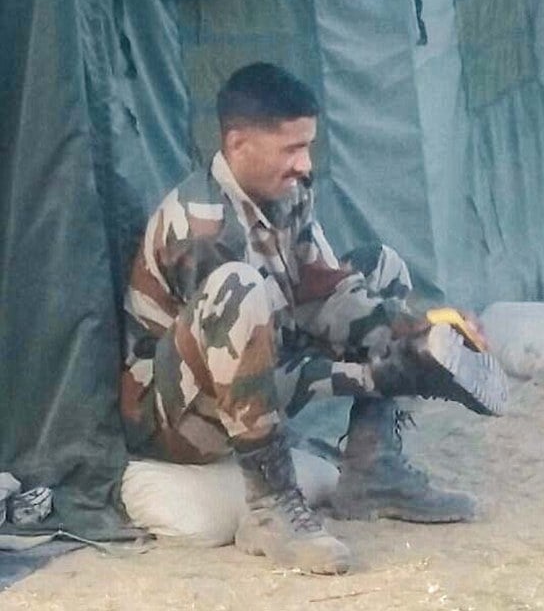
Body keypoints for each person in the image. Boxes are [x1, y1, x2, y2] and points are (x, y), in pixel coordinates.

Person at [120, 62, 508, 575]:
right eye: (291, 149)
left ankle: (373, 470)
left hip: (258, 351)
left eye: (308, 146)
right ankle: (269, 506)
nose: (305, 164)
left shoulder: (286, 190)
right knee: (241, 289)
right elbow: (251, 375)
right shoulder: (202, 228)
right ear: (238, 146)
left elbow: (320, 287)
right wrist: (372, 374)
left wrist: (416, 328)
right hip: (176, 417)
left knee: (379, 265)